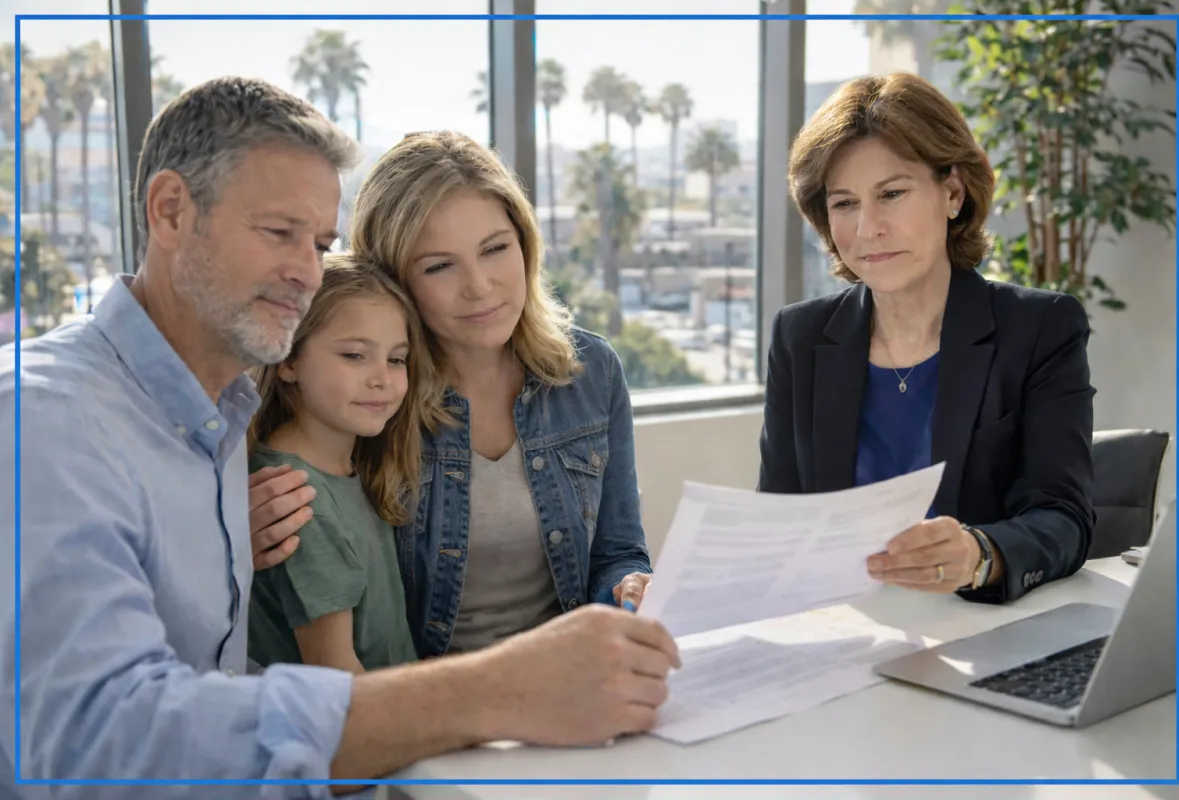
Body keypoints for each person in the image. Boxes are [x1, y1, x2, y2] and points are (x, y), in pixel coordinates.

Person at [0, 77, 680, 799]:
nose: (306, 273)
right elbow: (91, 741)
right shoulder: (44, 418)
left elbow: (226, 675)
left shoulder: (227, 411)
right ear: (170, 211)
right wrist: (490, 692)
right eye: (278, 233)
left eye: (320, 243)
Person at [251, 130, 655, 658]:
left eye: (495, 249)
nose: (480, 287)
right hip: (435, 705)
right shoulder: (371, 399)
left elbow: (618, 552)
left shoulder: (591, 372)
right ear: (395, 279)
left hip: (574, 684)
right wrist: (239, 538)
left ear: (525, 244)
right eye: (439, 265)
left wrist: (630, 586)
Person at [758, 72, 1095, 604]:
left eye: (891, 194)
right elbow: (778, 518)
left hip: (978, 634)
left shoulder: (1040, 329)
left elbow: (1064, 517)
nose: (868, 227)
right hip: (844, 631)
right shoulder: (799, 337)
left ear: (953, 192)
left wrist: (981, 554)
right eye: (844, 203)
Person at [247, 255, 425, 674]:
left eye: (396, 359)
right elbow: (338, 678)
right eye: (354, 355)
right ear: (288, 360)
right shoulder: (295, 497)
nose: (382, 378)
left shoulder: (347, 470)